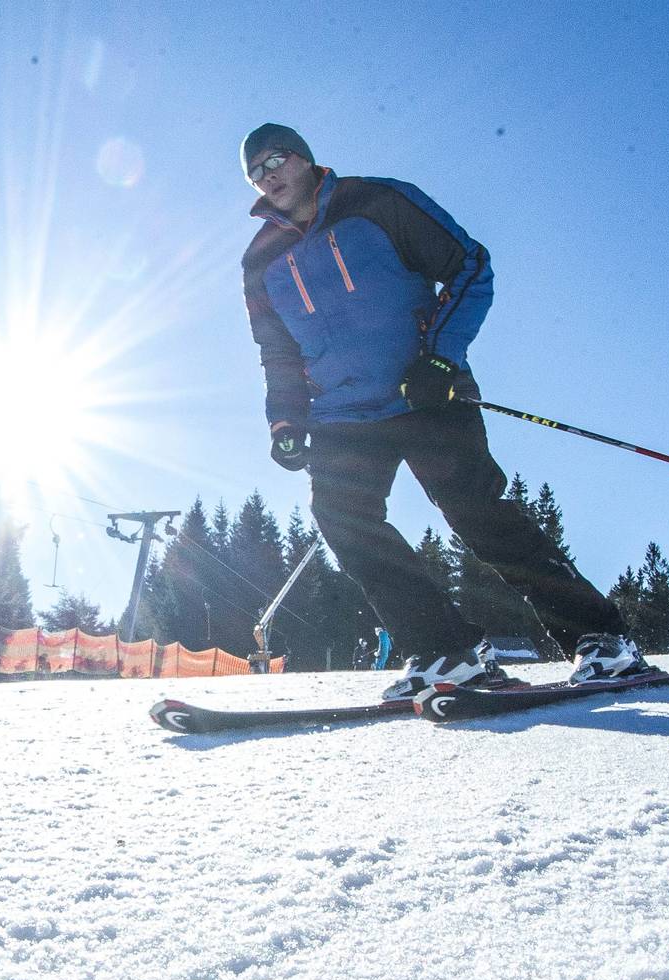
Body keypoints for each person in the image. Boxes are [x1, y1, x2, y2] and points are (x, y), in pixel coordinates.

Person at [237, 123, 646, 698]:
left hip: (423, 393)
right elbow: (277, 352)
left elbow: (470, 267)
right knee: (346, 523)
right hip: (340, 413)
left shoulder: (378, 202)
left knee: (477, 514)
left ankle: (602, 639)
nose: (267, 176)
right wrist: (284, 419)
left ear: (304, 158)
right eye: (254, 172)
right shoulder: (260, 260)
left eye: (275, 159)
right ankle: (447, 650)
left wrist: (439, 358)